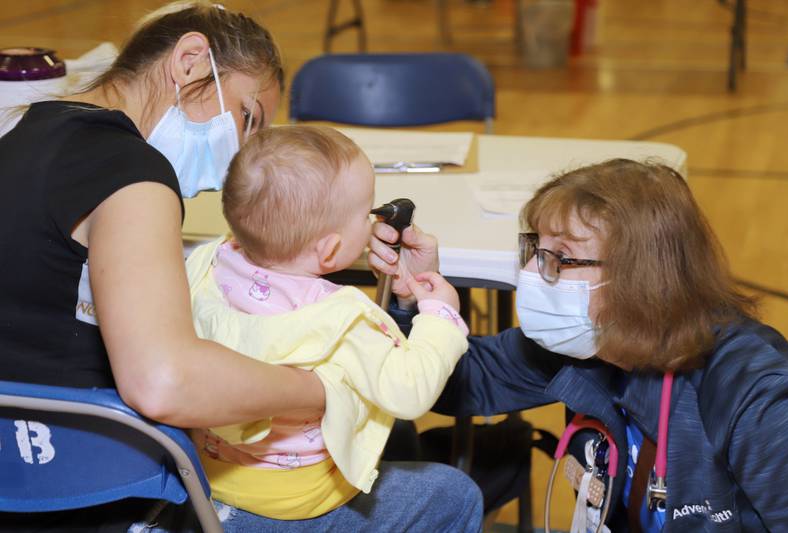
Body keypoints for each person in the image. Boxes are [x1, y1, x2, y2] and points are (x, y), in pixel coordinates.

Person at [0, 2, 482, 531]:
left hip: (21, 472)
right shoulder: (133, 177)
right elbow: (162, 383)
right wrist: (325, 391)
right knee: (451, 493)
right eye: (248, 117)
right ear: (188, 62)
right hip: (105, 488)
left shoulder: (27, 131)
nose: (240, 153)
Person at [370, 158, 788, 532]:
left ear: (640, 277)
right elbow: (461, 384)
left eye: (563, 257)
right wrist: (418, 306)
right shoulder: (583, 346)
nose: (537, 274)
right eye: (537, 250)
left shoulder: (758, 398)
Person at [184, 124, 472, 521]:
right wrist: (441, 318)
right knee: (457, 493)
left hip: (210, 471)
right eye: (366, 214)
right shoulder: (341, 318)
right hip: (299, 494)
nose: (372, 224)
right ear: (331, 248)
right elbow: (408, 390)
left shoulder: (207, 263)